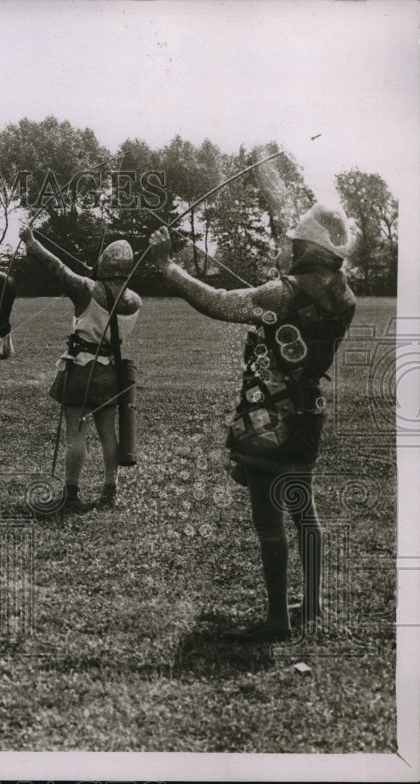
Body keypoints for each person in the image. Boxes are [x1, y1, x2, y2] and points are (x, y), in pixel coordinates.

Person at [147, 204, 356, 642]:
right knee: (304, 510)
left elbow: (217, 303)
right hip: (308, 411)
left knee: (269, 519)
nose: (292, 246)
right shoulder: (343, 292)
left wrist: (168, 266)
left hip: (268, 417)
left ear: (310, 247)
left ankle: (277, 618)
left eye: (298, 242)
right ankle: (313, 601)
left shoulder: (282, 294)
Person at [21, 226, 142, 512]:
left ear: (104, 265)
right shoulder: (135, 299)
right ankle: (110, 491)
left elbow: (57, 267)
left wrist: (30, 241)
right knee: (108, 434)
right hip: (110, 373)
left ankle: (72, 495)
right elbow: (104, 291)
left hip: (81, 370)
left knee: (75, 433)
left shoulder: (87, 289)